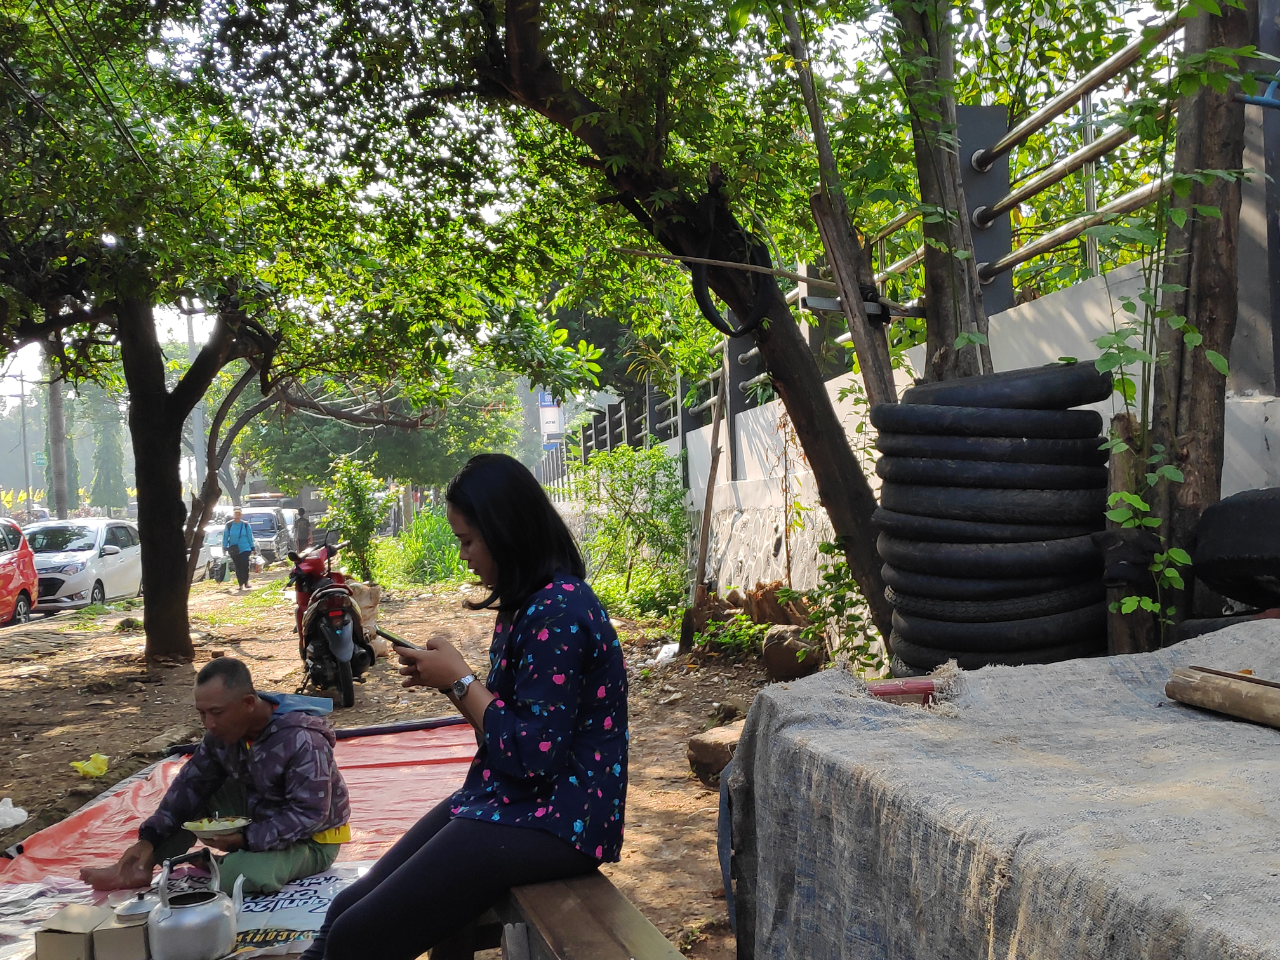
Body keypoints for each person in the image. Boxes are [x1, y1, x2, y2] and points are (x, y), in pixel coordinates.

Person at [301, 454, 628, 960]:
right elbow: (505, 739)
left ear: (507, 532)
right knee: (341, 913)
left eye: (467, 540)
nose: (464, 555)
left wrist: (459, 680)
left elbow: (533, 754)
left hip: (562, 819)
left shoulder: (559, 610)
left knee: (355, 940)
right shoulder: (528, 603)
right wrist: (452, 682)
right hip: (517, 799)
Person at [80, 657, 351, 894]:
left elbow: (311, 814)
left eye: (217, 713)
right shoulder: (220, 735)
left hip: (311, 841)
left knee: (239, 876)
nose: (209, 724)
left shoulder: (302, 739)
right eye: (202, 713)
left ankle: (227, 865)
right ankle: (139, 867)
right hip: (261, 815)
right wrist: (148, 840)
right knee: (195, 791)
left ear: (247, 703)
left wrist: (246, 839)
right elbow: (190, 785)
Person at [223, 506, 255, 590]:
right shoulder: (229, 525)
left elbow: (250, 537)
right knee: (238, 567)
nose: (237, 515)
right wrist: (224, 547)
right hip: (234, 549)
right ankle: (240, 584)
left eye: (239, 514)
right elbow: (225, 537)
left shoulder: (245, 525)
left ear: (241, 515)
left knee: (245, 565)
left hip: (245, 548)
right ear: (233, 515)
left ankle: (246, 582)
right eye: (236, 514)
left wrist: (253, 548)